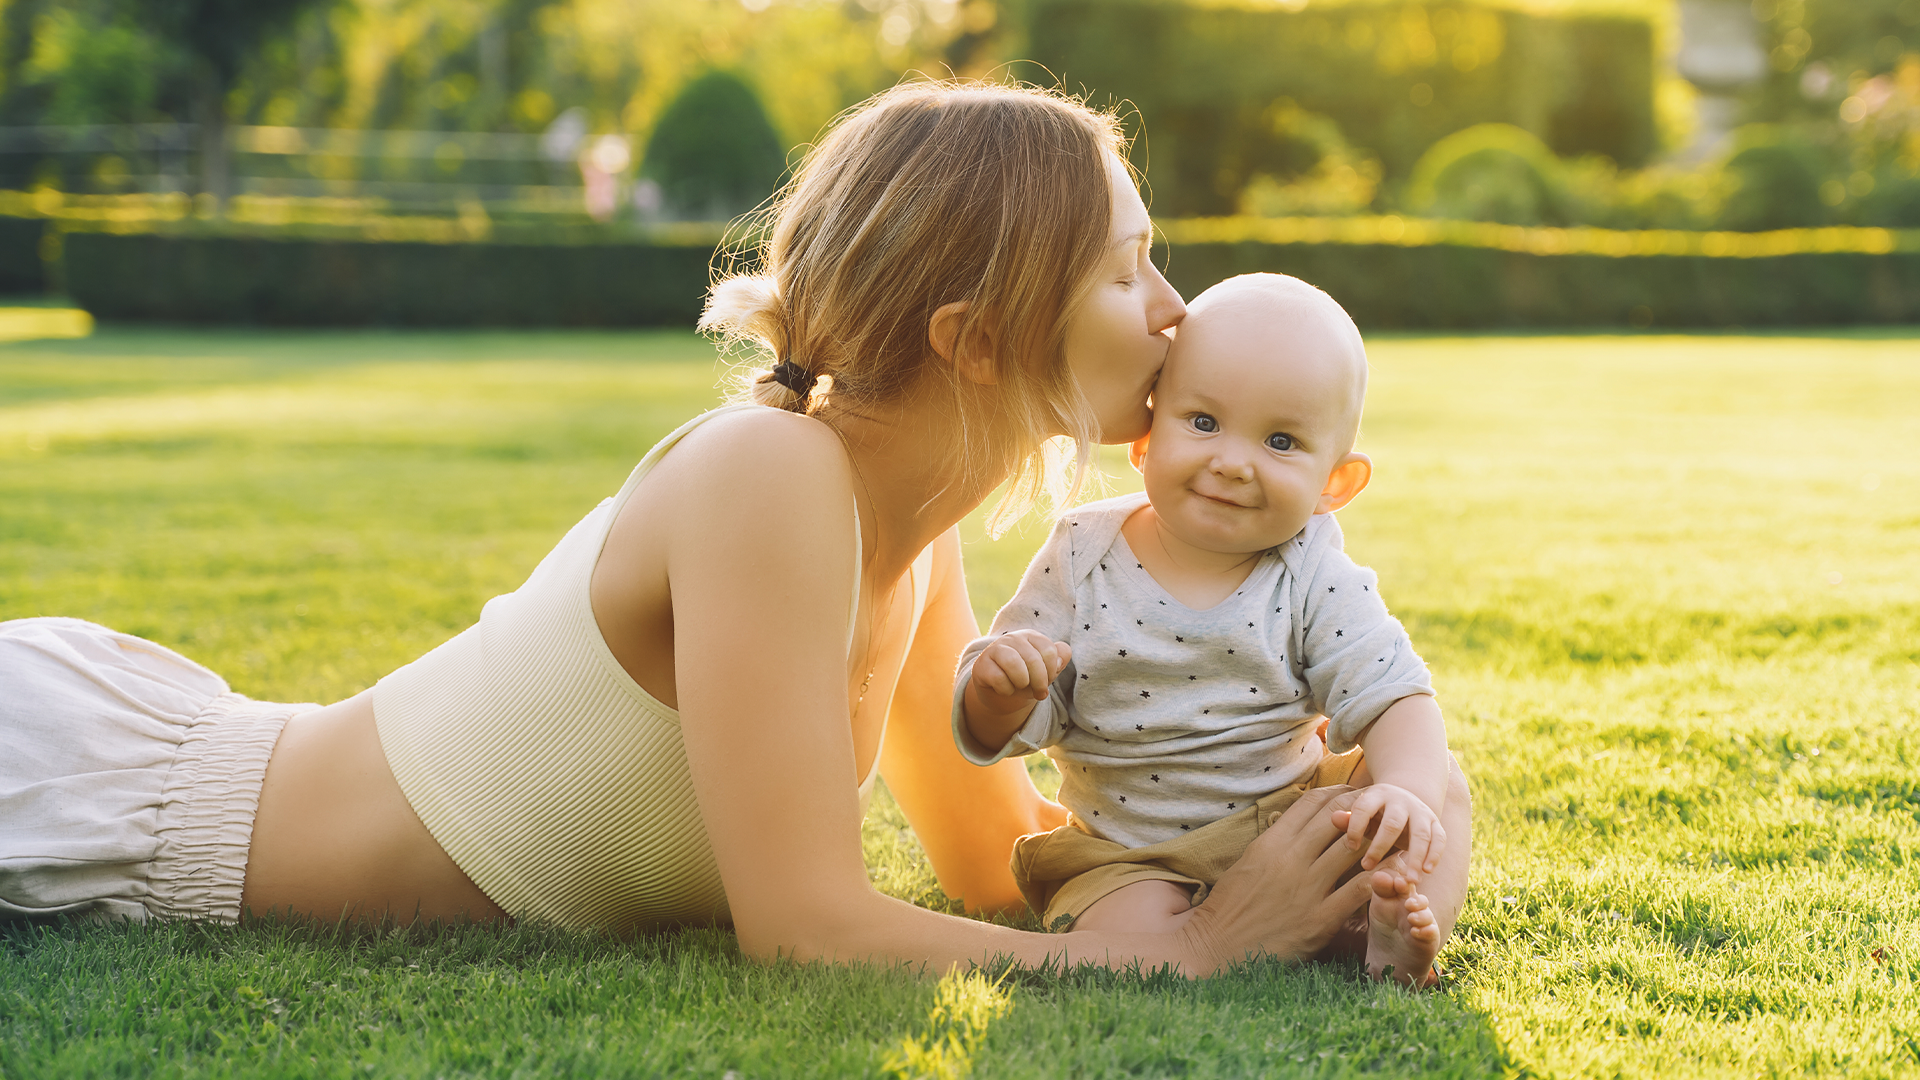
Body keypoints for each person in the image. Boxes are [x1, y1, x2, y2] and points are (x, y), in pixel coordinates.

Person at [0, 82, 1447, 978]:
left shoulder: (915, 530)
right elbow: (808, 931)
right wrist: (1193, 955)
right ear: (978, 338)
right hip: (95, 801)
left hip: (160, 746)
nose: (1177, 312)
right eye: (1133, 266)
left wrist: (1294, 835)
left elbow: (990, 862)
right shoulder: (772, 475)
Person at [954, 274, 1469, 985]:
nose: (1232, 460)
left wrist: (1406, 792)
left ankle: (1389, 931)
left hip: (1289, 830)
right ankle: (1274, 933)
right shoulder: (1081, 552)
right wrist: (1002, 690)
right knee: (1125, 938)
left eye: (1280, 440)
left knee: (1435, 786)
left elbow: (1393, 692)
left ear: (1334, 486)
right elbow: (1014, 724)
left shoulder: (1309, 567)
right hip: (1129, 852)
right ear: (1145, 437)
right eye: (1202, 422)